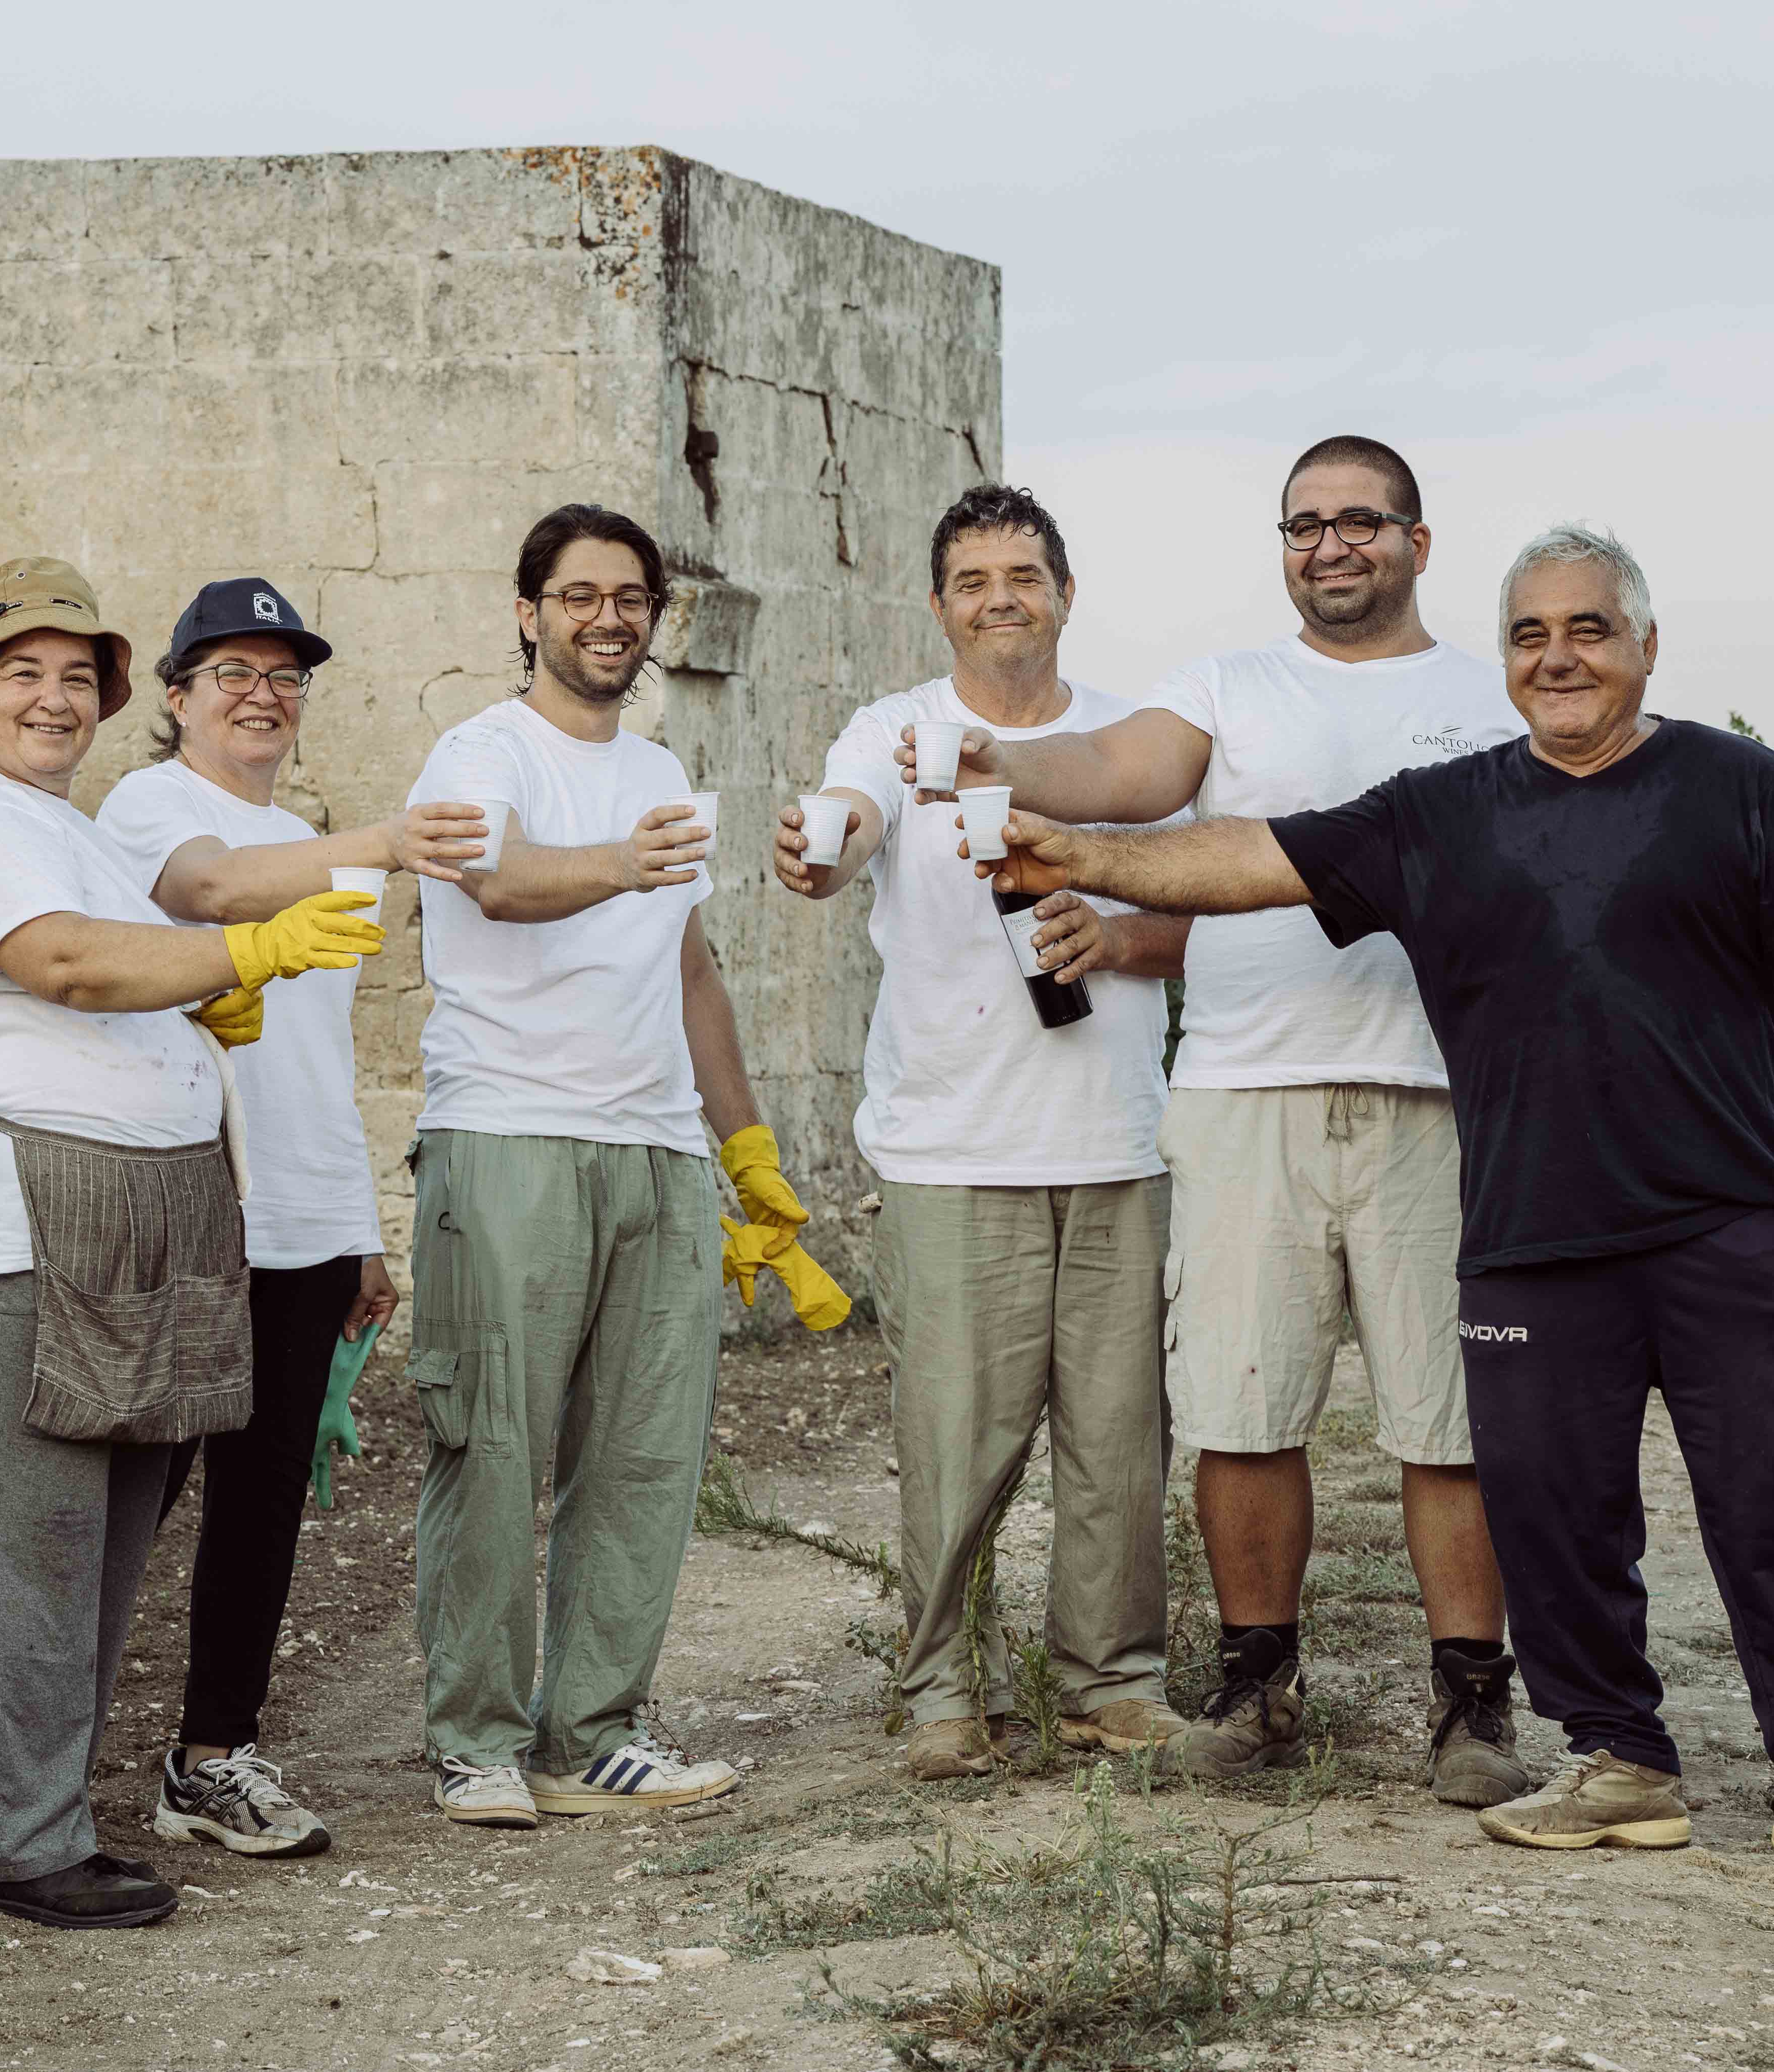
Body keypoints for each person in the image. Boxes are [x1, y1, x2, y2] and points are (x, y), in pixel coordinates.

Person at [964, 524, 1774, 1890]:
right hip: (1534, 1229)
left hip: (1728, 1221)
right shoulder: (1449, 812)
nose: (1559, 657)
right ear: (1509, 660)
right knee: (1551, 1505)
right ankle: (1620, 1762)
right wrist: (1083, 857)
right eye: (1531, 634)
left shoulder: (1735, 785)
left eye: (1589, 629)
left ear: (1645, 646)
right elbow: (1248, 860)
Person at [900, 437, 1534, 1804]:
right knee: (1245, 1406)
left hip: (1443, 1097)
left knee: (1452, 1420)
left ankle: (1474, 1703)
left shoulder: (1489, 707)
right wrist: (983, 752)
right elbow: (1115, 773)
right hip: (1244, 1090)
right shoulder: (1226, 690)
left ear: (1419, 541)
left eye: (1359, 522)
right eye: (1304, 526)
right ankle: (1258, 1683)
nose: (1330, 546)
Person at [0, 557, 382, 1930]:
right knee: (35, 1528)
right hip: (18, 1196)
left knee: (99, 1537)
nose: (50, 700)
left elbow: (124, 968)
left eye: (70, 677)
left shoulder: (75, 830)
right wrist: (248, 959)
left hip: (130, 1206)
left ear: (105, 697)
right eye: (18, 675)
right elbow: (69, 968)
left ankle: (19, 1800)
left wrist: (188, 1012)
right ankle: (17, 1847)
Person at [406, 502, 845, 1830]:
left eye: (632, 599)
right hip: (510, 1136)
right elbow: (496, 882)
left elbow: (692, 969)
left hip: (654, 1151)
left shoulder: (658, 770)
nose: (610, 619)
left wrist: (746, 1152)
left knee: (641, 1460)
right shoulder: (478, 750)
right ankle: (476, 1738)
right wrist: (621, 860)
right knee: (492, 1446)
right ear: (529, 611)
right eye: (581, 595)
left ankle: (590, 1734)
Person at [772, 485, 1182, 1780]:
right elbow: (847, 828)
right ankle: (945, 1690)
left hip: (1117, 1140)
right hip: (954, 1144)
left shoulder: (1134, 739)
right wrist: (816, 846)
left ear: (1067, 590)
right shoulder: (893, 728)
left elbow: (1201, 904)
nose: (1000, 597)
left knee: (1119, 1436)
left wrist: (1113, 933)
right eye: (974, 579)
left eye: (1024, 574)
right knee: (955, 1439)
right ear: (938, 603)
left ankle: (1114, 1682)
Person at [95, 576, 487, 1861]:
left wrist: (360, 1228)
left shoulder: (316, 842)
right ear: (178, 697)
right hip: (189, 1207)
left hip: (305, 1222)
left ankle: (211, 1758)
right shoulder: (153, 807)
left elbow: (319, 1055)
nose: (262, 697)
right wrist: (375, 840)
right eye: (233, 675)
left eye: (286, 678)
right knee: (122, 1505)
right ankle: (26, 1760)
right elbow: (209, 891)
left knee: (263, 1504)